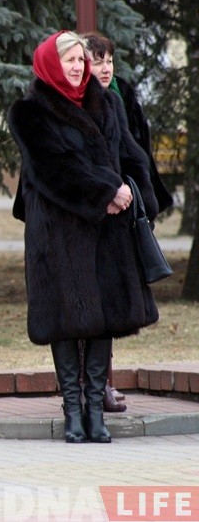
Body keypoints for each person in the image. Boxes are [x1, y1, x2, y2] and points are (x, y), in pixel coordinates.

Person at [8, 31, 160, 444]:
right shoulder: (30, 112)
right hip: (58, 229)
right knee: (65, 318)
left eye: (81, 59)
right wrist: (105, 193)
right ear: (52, 65)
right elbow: (52, 169)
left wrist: (138, 195)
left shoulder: (108, 101)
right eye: (70, 60)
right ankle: (72, 410)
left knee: (101, 318)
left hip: (108, 229)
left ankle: (96, 411)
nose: (78, 66)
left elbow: (131, 154)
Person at [84, 31, 175, 413]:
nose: (105, 69)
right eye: (96, 61)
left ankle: (100, 383)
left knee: (111, 302)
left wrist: (146, 199)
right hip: (92, 207)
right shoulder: (69, 99)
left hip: (126, 203)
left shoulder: (122, 94)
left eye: (109, 62)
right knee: (87, 302)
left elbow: (138, 148)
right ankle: (90, 387)